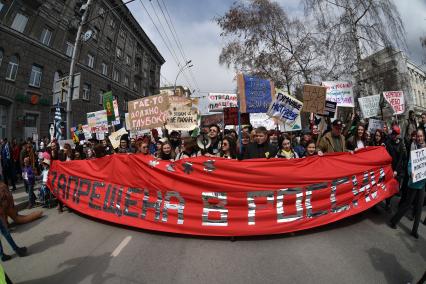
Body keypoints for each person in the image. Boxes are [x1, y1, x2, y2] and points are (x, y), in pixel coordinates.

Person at [389, 128, 425, 239]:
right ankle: (393, 220)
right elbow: (409, 163)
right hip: (413, 182)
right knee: (407, 204)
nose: (419, 138)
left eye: (421, 136)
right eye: (418, 136)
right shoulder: (413, 148)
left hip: (423, 183)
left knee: (418, 208)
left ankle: (414, 230)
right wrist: (410, 173)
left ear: (424, 137)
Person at [384, 125, 406, 211]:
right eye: (393, 133)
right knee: (389, 187)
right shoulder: (388, 142)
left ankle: (389, 201)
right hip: (390, 168)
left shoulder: (401, 144)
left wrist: (396, 170)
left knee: (395, 187)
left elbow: (401, 159)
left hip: (397, 169)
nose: (394, 135)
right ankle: (388, 203)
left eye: (396, 134)